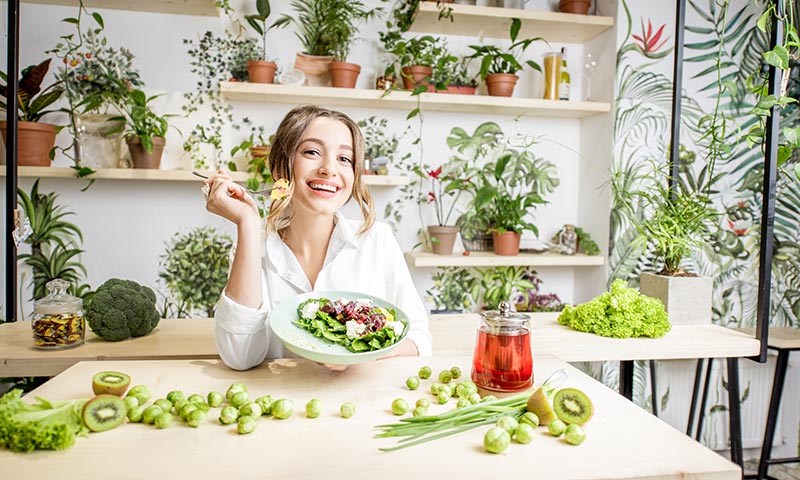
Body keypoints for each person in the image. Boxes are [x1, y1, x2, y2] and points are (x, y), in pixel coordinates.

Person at [203, 105, 432, 370]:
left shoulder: (378, 240)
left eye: (344, 159)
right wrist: (247, 223)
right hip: (278, 404)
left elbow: (418, 339)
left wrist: (360, 353)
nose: (329, 169)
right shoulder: (254, 245)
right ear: (280, 168)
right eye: (312, 152)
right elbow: (239, 356)